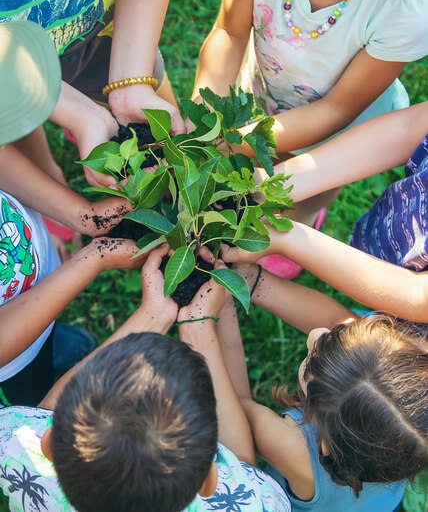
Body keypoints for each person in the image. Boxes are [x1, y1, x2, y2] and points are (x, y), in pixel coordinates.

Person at [190, 0, 428, 246]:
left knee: (311, 184)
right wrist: (208, 110)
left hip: (344, 123)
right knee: (266, 162)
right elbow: (230, 31)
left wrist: (237, 141)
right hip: (270, 87)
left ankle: (301, 217)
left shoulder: (405, 10)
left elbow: (337, 108)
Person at [0, 245, 292, 512]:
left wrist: (152, 315)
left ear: (49, 444)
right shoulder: (255, 505)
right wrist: (197, 329)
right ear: (208, 480)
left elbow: (44, 412)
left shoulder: (15, 450)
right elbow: (242, 466)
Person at [1, 0, 194, 250]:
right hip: (4, 74)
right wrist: (74, 112)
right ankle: (47, 175)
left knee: (167, 145)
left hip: (93, 36)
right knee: (12, 123)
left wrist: (130, 81)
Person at [0, 20, 143, 406]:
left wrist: (82, 214)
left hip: (25, 272)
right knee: (27, 386)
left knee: (40, 336)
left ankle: (46, 330)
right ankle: (33, 358)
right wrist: (92, 259)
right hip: (7, 358)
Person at [210, 297, 428, 511]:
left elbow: (235, 403)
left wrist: (223, 303)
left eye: (314, 359)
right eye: (339, 335)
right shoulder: (407, 436)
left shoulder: (292, 449)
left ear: (325, 445)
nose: (318, 333)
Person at [225, 102, 428, 329]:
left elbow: (417, 294)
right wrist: (270, 187)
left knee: (382, 343)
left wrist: (285, 237)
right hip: (393, 242)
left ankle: (381, 325)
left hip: (415, 307)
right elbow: (407, 128)